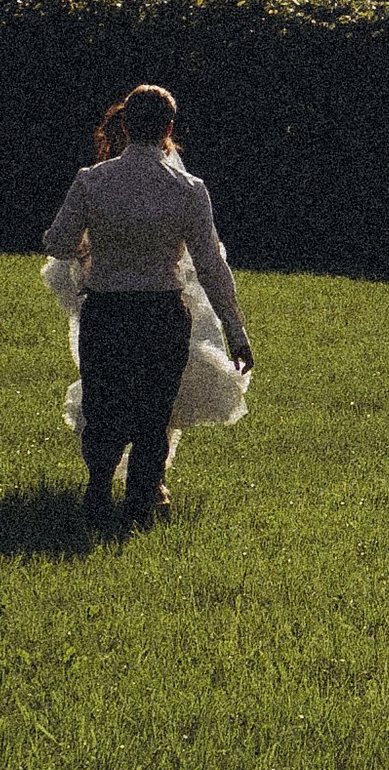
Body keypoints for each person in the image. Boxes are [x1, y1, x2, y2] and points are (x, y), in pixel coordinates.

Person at [41, 85, 253, 530]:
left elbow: (56, 241)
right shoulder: (189, 189)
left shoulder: (91, 180)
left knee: (103, 404)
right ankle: (140, 503)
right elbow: (212, 267)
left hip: (107, 310)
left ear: (125, 124)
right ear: (168, 130)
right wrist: (236, 331)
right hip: (161, 313)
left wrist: (88, 252)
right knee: (155, 411)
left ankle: (98, 490)